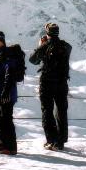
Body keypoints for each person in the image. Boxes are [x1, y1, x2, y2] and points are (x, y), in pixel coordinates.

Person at [29, 23, 72, 151]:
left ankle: (51, 140)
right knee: (61, 110)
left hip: (47, 82)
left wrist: (41, 45)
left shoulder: (45, 45)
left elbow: (33, 60)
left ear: (47, 33)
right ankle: (61, 141)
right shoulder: (66, 46)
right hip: (62, 82)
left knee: (47, 111)